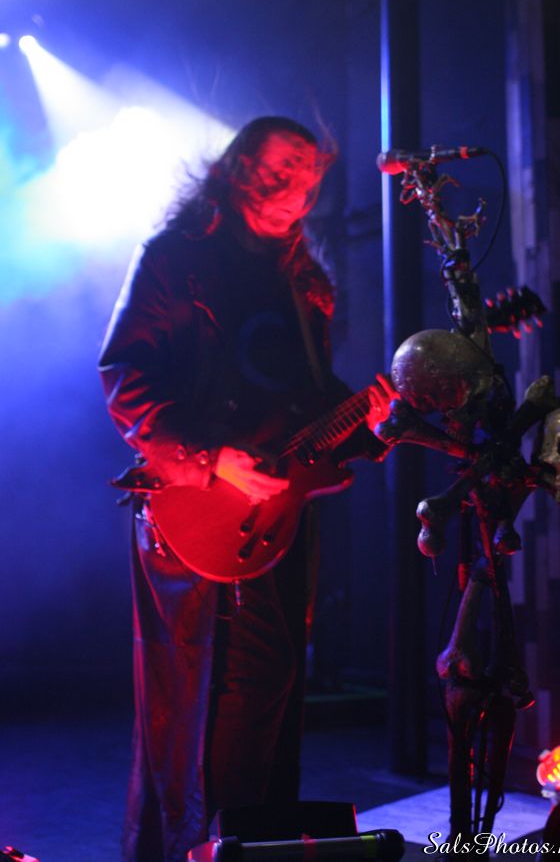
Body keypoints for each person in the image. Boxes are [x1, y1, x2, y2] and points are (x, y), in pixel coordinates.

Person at [99, 116, 395, 862]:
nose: (294, 186)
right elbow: (124, 376)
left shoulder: (302, 281)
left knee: (272, 690)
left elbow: (310, 401)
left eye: (307, 175)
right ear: (236, 167)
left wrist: (373, 419)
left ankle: (257, 846)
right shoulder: (176, 259)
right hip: (193, 512)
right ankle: (200, 849)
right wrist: (210, 460)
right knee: (218, 694)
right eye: (279, 168)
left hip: (278, 515)